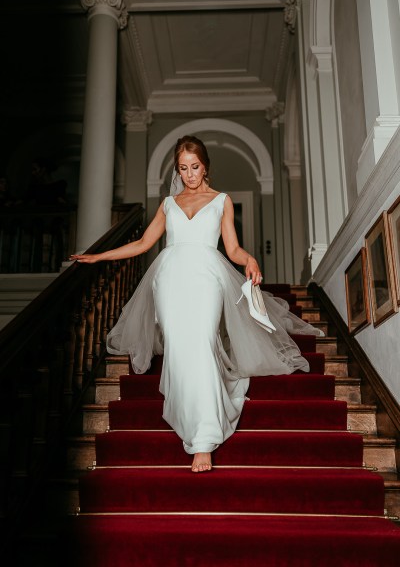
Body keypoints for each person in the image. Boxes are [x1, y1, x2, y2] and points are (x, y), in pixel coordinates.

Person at [70, 135, 323, 473]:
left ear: (206, 167)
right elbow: (144, 244)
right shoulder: (168, 204)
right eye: (183, 169)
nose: (189, 174)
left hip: (207, 277)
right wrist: (99, 256)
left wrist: (250, 261)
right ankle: (190, 415)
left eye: (195, 167)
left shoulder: (222, 201)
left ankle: (203, 441)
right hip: (169, 279)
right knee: (177, 345)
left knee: (203, 341)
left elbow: (232, 249)